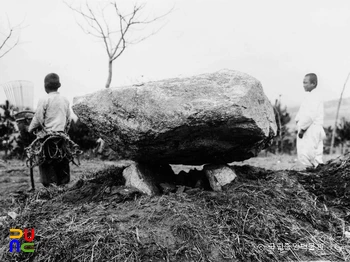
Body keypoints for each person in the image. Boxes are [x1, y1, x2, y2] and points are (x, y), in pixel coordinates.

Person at [28, 73, 75, 187]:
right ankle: (62, 186)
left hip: (47, 138)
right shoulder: (64, 100)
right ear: (59, 85)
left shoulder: (44, 99)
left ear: (45, 87)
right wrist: (64, 132)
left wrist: (30, 129)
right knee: (62, 160)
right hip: (61, 137)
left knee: (48, 161)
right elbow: (68, 120)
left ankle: (51, 188)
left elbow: (38, 118)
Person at [295, 73, 326, 169]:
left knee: (306, 153)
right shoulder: (311, 96)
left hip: (310, 129)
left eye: (305, 83)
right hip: (312, 128)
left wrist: (303, 129)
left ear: (313, 84)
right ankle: (316, 172)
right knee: (315, 154)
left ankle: (312, 173)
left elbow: (310, 116)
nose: (303, 85)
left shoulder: (314, 97)